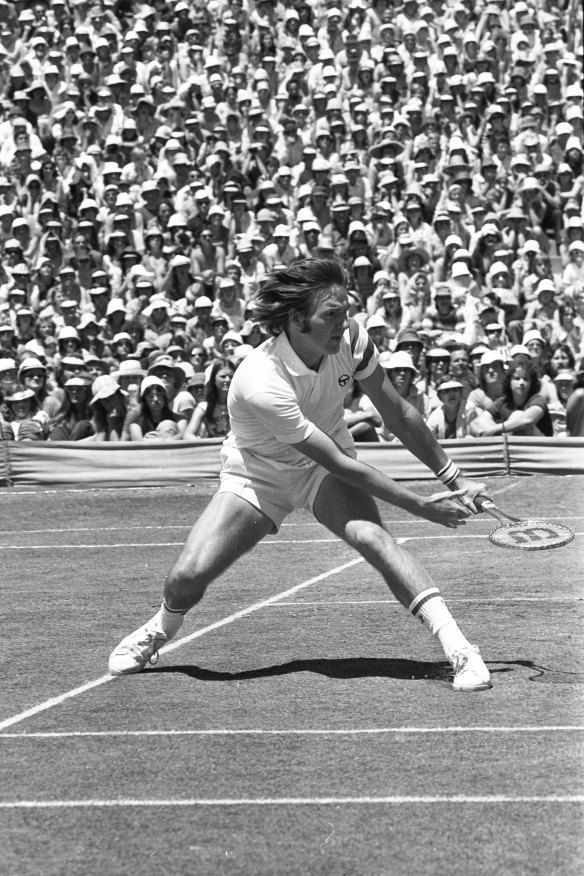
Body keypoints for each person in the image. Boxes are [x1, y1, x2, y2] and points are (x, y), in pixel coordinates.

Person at [109, 260, 491, 692]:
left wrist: (454, 478)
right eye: (331, 314)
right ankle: (161, 626)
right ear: (295, 319)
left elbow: (399, 414)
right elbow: (340, 463)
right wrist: (419, 505)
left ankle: (461, 650)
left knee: (375, 539)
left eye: (345, 311)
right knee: (185, 580)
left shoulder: (351, 340)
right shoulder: (260, 379)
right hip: (258, 475)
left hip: (321, 468)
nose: (343, 323)